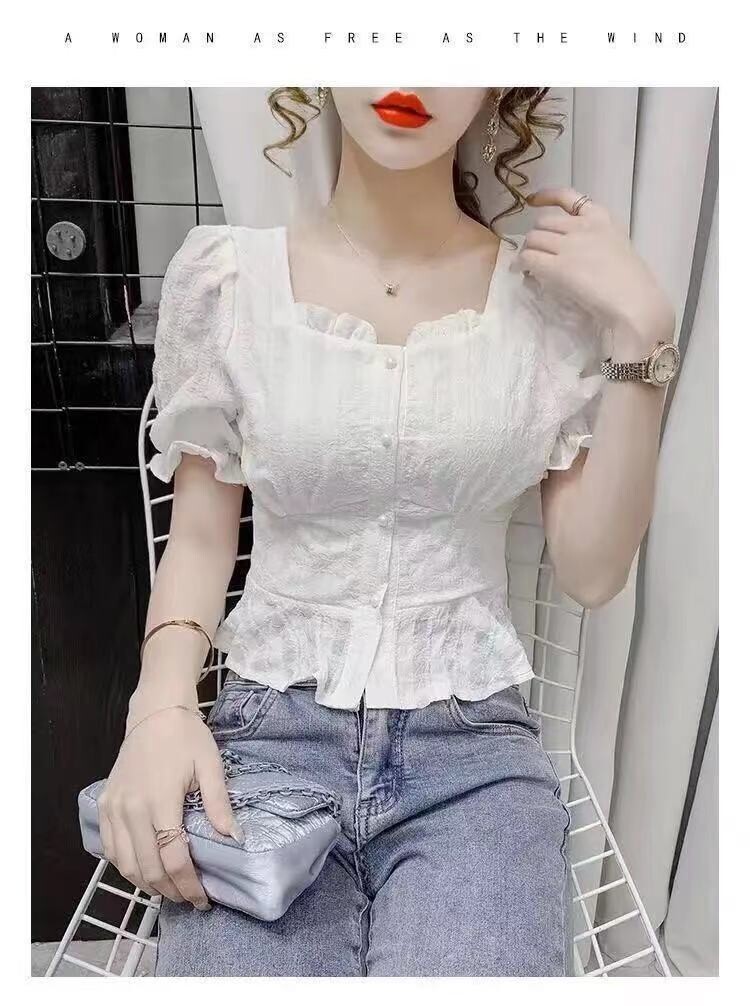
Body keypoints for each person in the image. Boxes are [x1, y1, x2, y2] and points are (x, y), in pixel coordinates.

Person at [97, 87, 678, 976]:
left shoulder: (546, 306)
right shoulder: (229, 282)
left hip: (474, 760)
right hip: (267, 739)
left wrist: (643, 339)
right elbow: (205, 540)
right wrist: (161, 708)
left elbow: (594, 572)